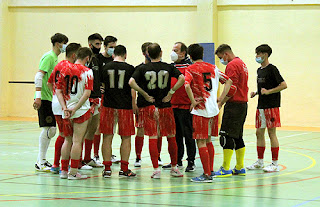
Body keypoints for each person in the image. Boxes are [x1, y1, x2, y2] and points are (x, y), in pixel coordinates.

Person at [129, 43, 185, 179]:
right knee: (171, 136)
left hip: (149, 106)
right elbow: (182, 78)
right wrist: (171, 92)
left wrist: (143, 93)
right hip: (165, 106)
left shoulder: (142, 68)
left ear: (147, 54)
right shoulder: (168, 67)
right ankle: (174, 167)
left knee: (153, 137)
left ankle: (156, 170)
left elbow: (131, 82)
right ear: (161, 52)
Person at [184, 43, 233, 182]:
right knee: (209, 140)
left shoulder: (190, 69)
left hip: (201, 109)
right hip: (213, 109)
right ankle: (210, 170)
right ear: (202, 54)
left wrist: (193, 101)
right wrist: (220, 100)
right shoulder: (213, 67)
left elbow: (187, 85)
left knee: (201, 142)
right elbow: (228, 81)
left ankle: (206, 175)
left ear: (190, 56)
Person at [246, 44, 287, 172]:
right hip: (261, 106)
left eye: (258, 54)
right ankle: (260, 161)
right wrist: (256, 92)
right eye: (256, 54)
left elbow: (283, 85)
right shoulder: (260, 70)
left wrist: (269, 92)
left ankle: (274, 164)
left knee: (271, 133)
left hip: (272, 106)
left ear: (265, 54)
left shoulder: (272, 69)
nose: (257, 56)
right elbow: (262, 88)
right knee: (259, 133)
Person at [56, 47, 94, 180]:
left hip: (66, 109)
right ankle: (73, 172)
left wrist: (64, 107)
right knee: (77, 141)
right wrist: (76, 108)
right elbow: (87, 93)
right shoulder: (88, 72)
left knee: (67, 140)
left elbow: (58, 90)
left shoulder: (66, 69)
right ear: (87, 58)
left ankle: (63, 171)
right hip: (80, 111)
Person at [33, 33, 68, 171]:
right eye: (64, 43)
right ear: (58, 43)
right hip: (45, 99)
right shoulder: (49, 57)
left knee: (51, 129)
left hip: (50, 98)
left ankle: (41, 160)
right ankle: (40, 161)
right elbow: (39, 75)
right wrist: (38, 96)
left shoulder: (55, 59)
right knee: (49, 129)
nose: (64, 46)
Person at [100, 45, 136, 178]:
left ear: (113, 54)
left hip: (108, 105)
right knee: (126, 138)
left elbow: (101, 86)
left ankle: (107, 169)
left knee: (107, 137)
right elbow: (133, 88)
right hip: (125, 106)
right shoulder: (130, 68)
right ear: (125, 55)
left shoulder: (105, 67)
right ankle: (124, 169)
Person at [214, 44, 248, 177]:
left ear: (226, 54)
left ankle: (225, 168)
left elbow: (231, 87)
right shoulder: (242, 63)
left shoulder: (232, 65)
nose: (222, 60)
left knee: (225, 135)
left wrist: (221, 101)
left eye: (221, 57)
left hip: (233, 105)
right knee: (238, 136)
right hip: (242, 104)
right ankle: (240, 167)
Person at [47, 43, 81, 174]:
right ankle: (63, 166)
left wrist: (55, 95)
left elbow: (49, 83)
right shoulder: (70, 67)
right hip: (65, 104)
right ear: (74, 55)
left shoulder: (58, 65)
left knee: (62, 134)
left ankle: (56, 164)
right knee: (68, 137)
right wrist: (65, 103)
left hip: (56, 102)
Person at [162, 42, 196, 172]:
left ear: (183, 53)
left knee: (189, 135)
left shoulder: (190, 68)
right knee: (175, 136)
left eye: (176, 50)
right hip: (172, 106)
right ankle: (176, 160)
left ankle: (191, 161)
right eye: (172, 50)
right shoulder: (170, 67)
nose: (173, 53)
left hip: (186, 106)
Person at [133, 42, 163, 168]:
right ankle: (138, 157)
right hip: (142, 104)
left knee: (158, 130)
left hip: (158, 103)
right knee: (140, 130)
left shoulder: (160, 68)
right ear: (144, 53)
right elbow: (132, 86)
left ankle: (158, 155)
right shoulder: (139, 68)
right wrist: (133, 102)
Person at [81, 33, 104, 168]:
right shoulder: (85, 59)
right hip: (87, 99)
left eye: (100, 44)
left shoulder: (97, 60)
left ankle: (88, 158)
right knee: (82, 130)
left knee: (93, 129)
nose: (99, 47)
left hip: (97, 98)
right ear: (90, 44)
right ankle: (77, 160)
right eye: (97, 44)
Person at [96, 35, 120, 163]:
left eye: (115, 47)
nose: (113, 49)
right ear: (105, 47)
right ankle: (95, 155)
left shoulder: (115, 60)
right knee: (98, 128)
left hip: (112, 98)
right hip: (101, 98)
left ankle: (108, 154)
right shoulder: (98, 59)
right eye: (111, 47)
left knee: (111, 128)